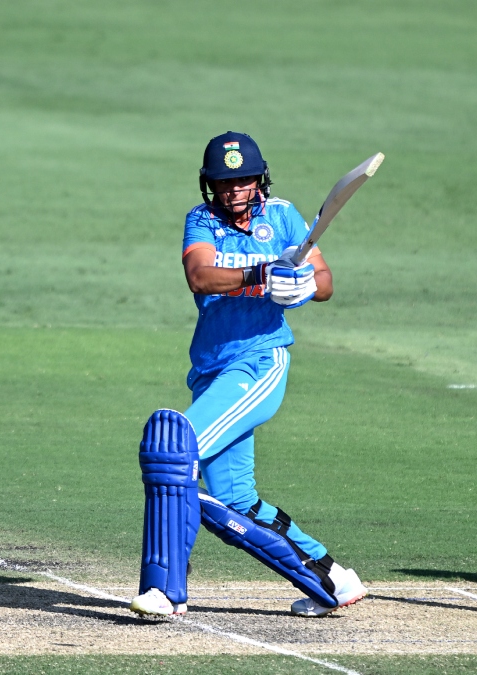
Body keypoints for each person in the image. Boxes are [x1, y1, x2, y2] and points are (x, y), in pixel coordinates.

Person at [129, 131, 367, 619]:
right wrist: (261, 274)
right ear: (210, 185)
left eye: (242, 180)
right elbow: (200, 276)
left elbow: (325, 281)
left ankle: (165, 589)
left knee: (173, 451)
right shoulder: (201, 220)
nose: (234, 189)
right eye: (223, 182)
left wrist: (303, 285)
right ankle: (332, 578)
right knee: (237, 500)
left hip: (259, 361)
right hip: (211, 367)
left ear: (259, 179)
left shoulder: (282, 216)